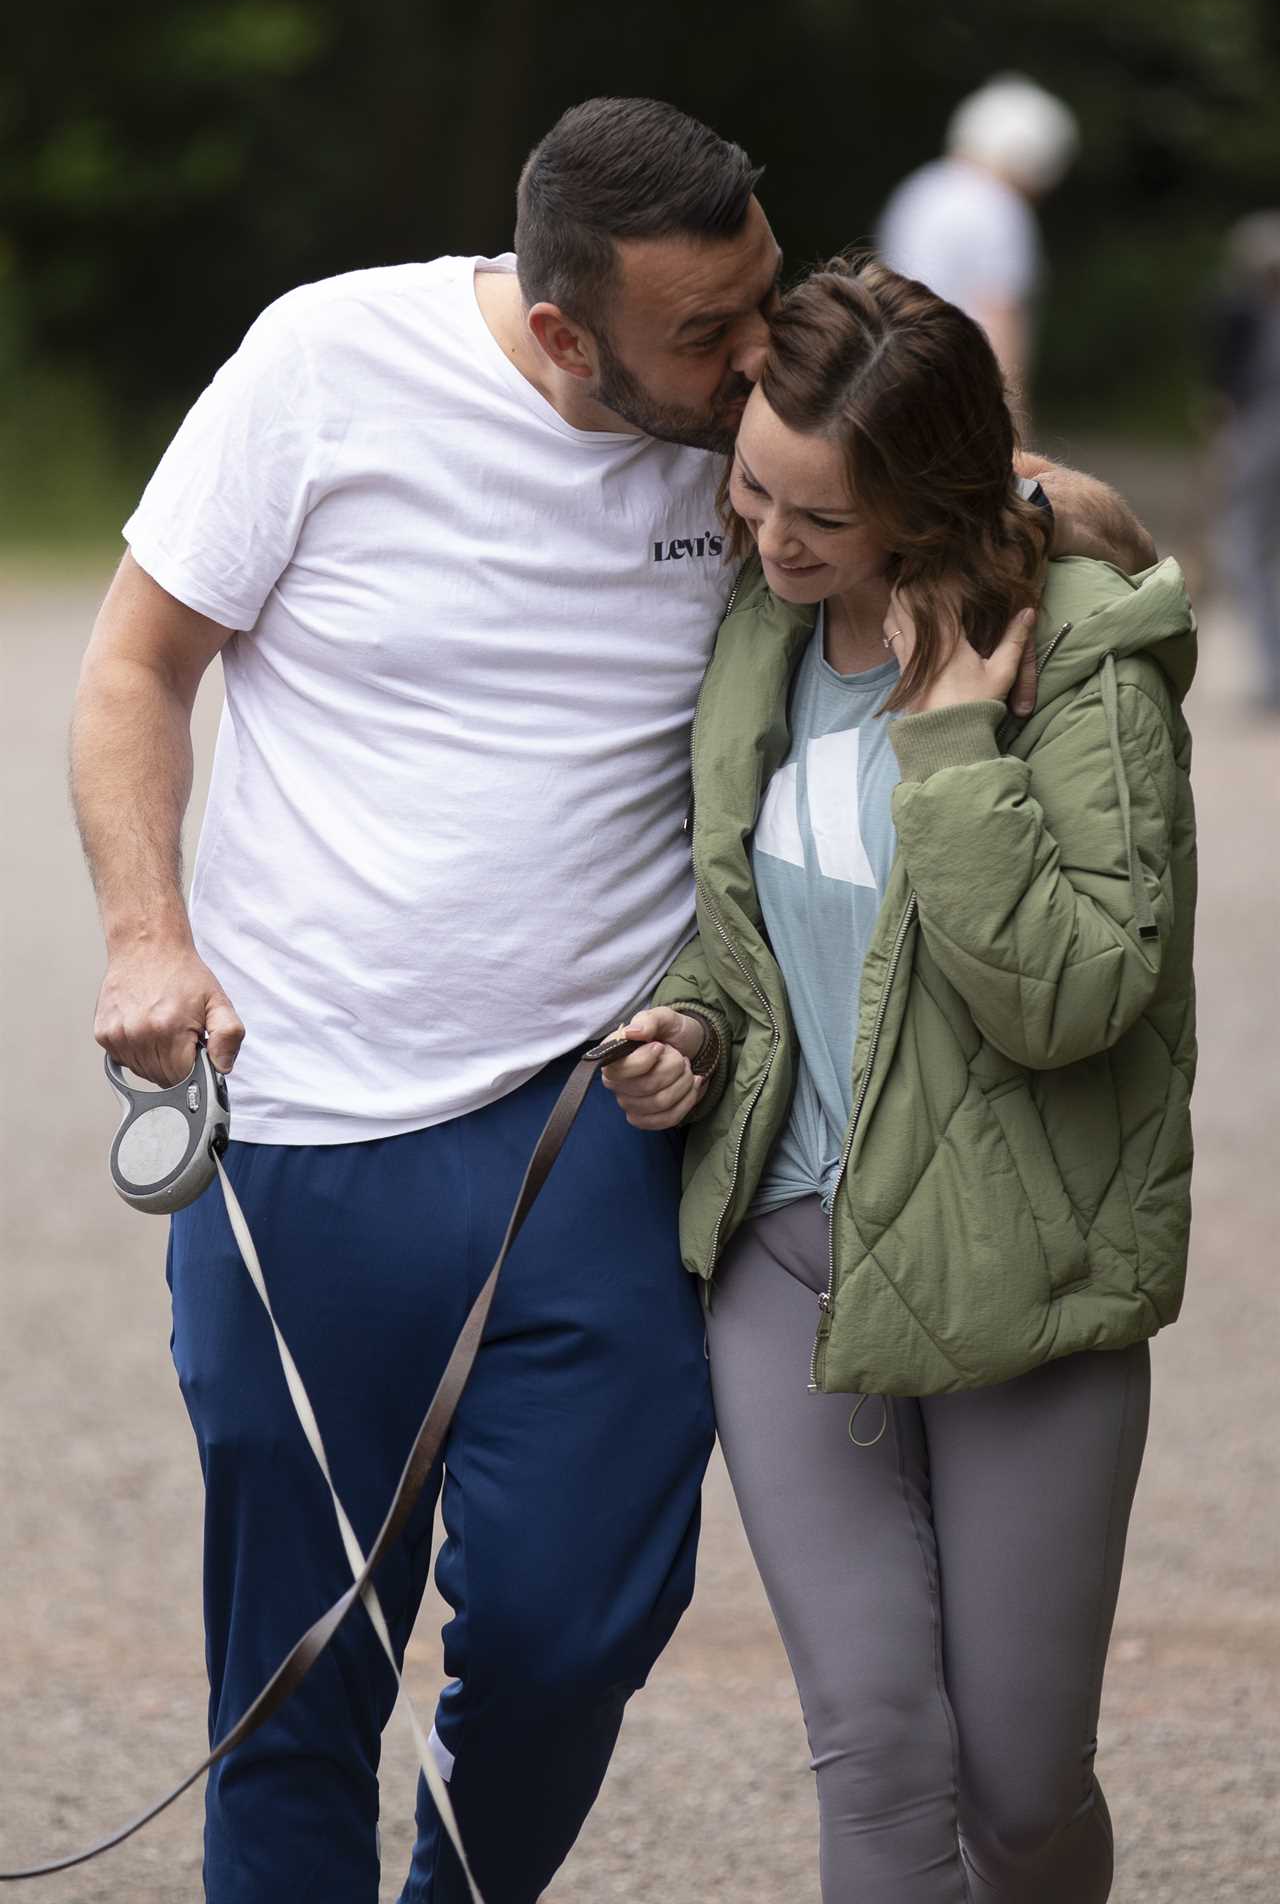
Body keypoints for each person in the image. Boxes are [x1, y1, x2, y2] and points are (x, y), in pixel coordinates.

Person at [70, 94, 1156, 1904]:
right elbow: (133, 664)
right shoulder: (323, 363)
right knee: (299, 1664)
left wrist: (1045, 505)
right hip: (304, 1130)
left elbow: (1014, 497)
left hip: (601, 1120)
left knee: (576, 1631)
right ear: (566, 330)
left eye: (759, 302)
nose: (752, 364)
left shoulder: (758, 449)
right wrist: (141, 935)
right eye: (706, 336)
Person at [604, 256, 1195, 1903]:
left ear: (926, 504)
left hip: (1024, 1279)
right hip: (791, 1264)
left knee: (1016, 1794)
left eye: (822, 519)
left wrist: (949, 753)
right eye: (753, 492)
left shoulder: (1076, 654)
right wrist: (694, 1037)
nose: (770, 543)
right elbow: (748, 940)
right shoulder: (759, 631)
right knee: (876, 1755)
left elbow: (1076, 999)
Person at [878, 73, 1078, 410]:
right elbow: (1000, 323)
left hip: (890, 384)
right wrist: (1013, 434)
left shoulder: (920, 189)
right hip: (957, 397)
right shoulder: (999, 207)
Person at [1205, 211, 1280, 711]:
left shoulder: (1244, 311)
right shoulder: (1248, 314)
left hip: (1260, 433)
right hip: (1257, 431)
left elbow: (1229, 394)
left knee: (1243, 547)